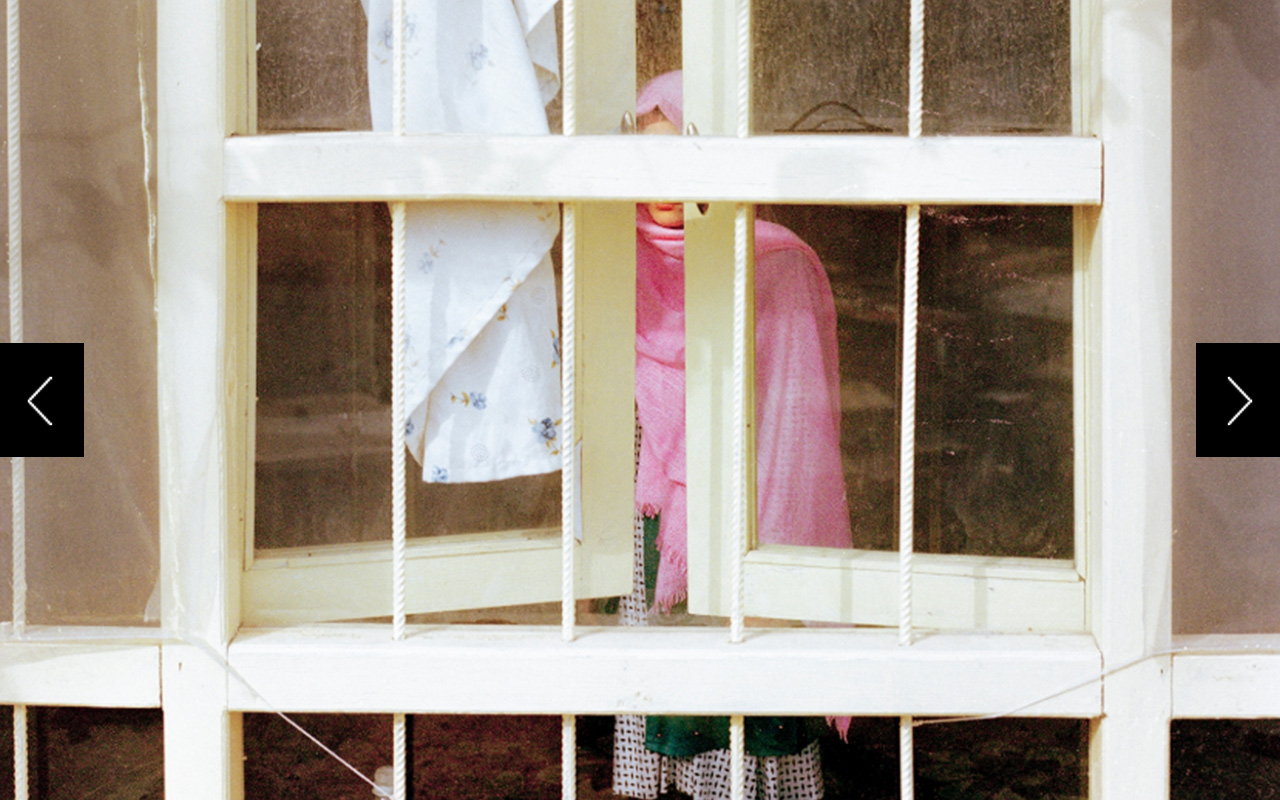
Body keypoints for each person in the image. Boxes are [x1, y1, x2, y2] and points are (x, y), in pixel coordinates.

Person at [613, 71, 853, 800]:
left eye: (686, 158)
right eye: (649, 162)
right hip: (658, 510)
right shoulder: (617, 256)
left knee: (749, 689)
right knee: (671, 679)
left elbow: (799, 423)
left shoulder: (772, 262)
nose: (665, 184)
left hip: (752, 497)